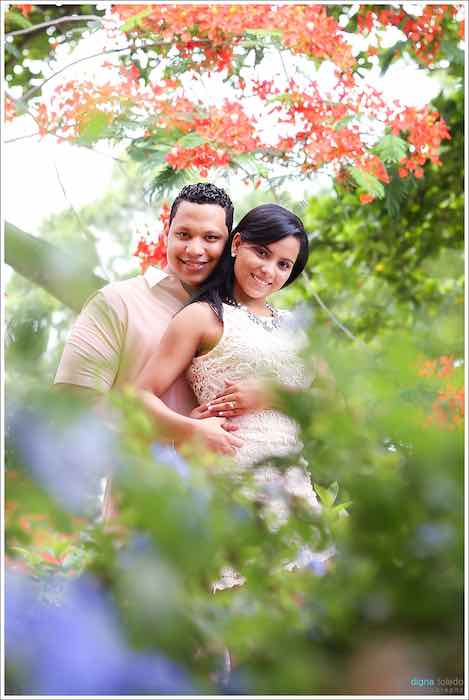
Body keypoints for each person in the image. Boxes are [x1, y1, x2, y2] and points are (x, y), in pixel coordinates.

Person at [138, 203, 334, 586]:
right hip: (233, 483)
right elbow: (137, 399)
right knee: (248, 628)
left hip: (292, 485)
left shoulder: (297, 328)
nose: (268, 270)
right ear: (238, 243)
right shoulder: (204, 317)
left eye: (284, 265)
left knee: (313, 627)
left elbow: (333, 406)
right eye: (262, 253)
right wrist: (191, 431)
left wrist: (275, 394)